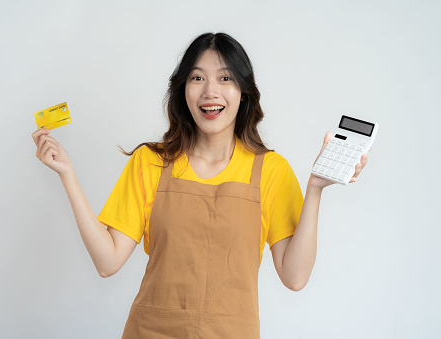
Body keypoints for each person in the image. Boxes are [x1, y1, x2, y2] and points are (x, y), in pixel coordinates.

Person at [32, 32, 370, 338]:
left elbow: (294, 278)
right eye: (197, 78)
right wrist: (67, 175)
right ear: (183, 90)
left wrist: (314, 188)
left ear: (243, 93)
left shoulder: (271, 170)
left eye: (225, 78)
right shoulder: (150, 162)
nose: (211, 91)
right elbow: (107, 262)